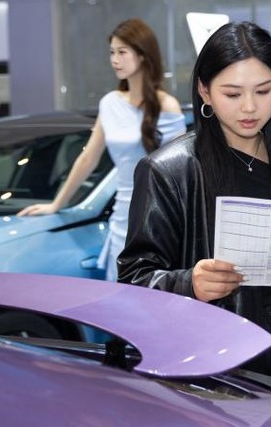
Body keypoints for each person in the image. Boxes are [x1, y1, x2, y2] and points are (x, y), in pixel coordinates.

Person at [118, 21, 271, 404]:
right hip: (220, 360)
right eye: (232, 94)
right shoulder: (169, 171)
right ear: (205, 90)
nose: (249, 107)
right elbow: (134, 280)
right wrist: (189, 283)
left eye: (263, 91)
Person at [18, 18, 184, 280]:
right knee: (120, 289)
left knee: (154, 292)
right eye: (111, 52)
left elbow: (181, 171)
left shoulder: (167, 106)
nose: (115, 60)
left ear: (143, 55)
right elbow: (88, 158)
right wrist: (57, 204)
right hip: (122, 215)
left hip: (159, 214)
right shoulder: (110, 103)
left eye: (122, 52)